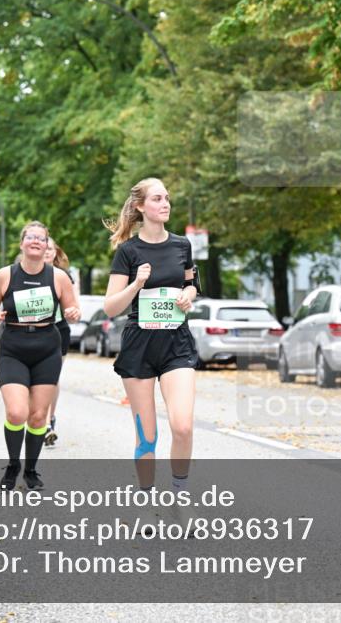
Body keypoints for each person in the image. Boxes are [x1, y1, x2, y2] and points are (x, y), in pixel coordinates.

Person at [104, 178, 199, 532]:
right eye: (158, 198)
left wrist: (189, 295)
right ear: (141, 206)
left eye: (167, 198)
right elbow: (111, 307)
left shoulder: (182, 245)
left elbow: (191, 283)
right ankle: (146, 506)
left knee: (183, 425)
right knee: (147, 436)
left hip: (176, 343)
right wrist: (137, 284)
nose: (166, 203)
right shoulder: (128, 252)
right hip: (140, 346)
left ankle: (180, 500)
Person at [0, 221, 79, 490]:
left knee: (38, 416)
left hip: (47, 348)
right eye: (31, 237)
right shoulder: (5, 275)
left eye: (41, 238)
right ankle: (13, 465)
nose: (36, 241)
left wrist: (73, 313)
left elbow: (73, 309)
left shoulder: (58, 277)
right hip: (14, 346)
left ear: (47, 245)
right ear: (22, 243)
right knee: (16, 412)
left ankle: (31, 471)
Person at [42, 237, 77, 446]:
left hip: (58, 331)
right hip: (33, 334)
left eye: (51, 249)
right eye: (44, 248)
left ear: (55, 252)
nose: (47, 251)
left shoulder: (64, 276)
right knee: (36, 380)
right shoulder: (24, 274)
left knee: (51, 378)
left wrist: (73, 312)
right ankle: (41, 419)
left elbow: (73, 306)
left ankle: (48, 422)